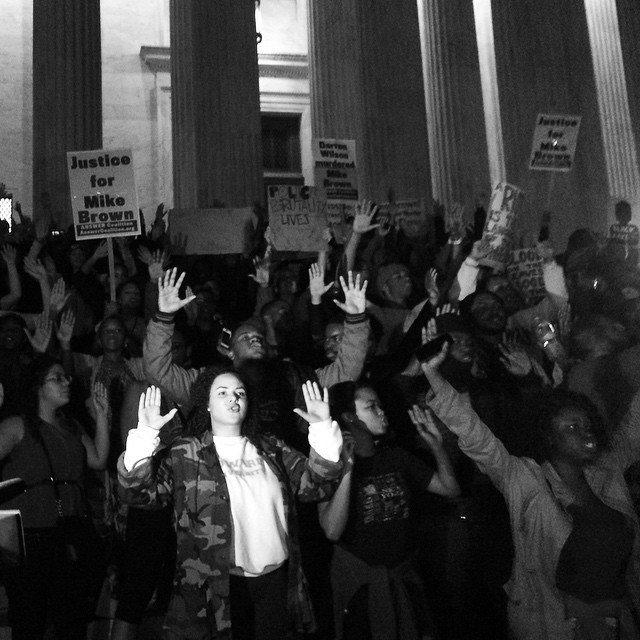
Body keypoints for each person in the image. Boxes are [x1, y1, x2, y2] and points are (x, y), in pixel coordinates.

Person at [422, 342, 640, 640]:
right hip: (558, 623)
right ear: (550, 439)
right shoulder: (528, 481)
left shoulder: (608, 469)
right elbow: (479, 439)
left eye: (587, 424)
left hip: (620, 617)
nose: (585, 431)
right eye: (572, 428)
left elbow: (634, 424)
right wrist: (434, 378)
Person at [117, 373, 345, 639]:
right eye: (222, 392)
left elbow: (316, 487)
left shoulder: (271, 448)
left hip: (277, 582)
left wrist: (322, 428)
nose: (233, 397)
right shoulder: (185, 452)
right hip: (216, 590)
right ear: (208, 404)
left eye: (240, 392)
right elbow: (137, 495)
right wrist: (145, 434)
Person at [319, 381, 459, 640]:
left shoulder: (396, 457)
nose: (381, 412)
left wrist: (437, 446)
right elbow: (331, 530)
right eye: (371, 407)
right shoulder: (328, 464)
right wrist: (348, 469)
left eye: (380, 406)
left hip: (401, 578)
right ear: (350, 417)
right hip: (360, 584)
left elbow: (450, 489)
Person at [0, 355, 110, 639]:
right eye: (57, 378)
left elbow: (97, 460)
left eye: (66, 377)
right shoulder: (16, 426)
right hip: (28, 537)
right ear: (39, 386)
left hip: (68, 532)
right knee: (29, 618)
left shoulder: (71, 425)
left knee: (71, 618)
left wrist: (102, 418)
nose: (66, 382)